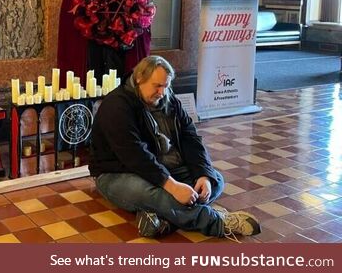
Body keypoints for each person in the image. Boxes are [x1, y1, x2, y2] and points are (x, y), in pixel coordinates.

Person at [89, 55, 261, 240]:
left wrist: (203, 174)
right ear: (139, 78)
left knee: (215, 180)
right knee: (155, 194)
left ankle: (162, 220)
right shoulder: (116, 106)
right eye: (157, 86)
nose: (162, 92)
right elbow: (135, 156)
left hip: (163, 168)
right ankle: (218, 222)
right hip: (117, 174)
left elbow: (190, 137)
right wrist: (171, 186)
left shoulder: (170, 100)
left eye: (166, 86)